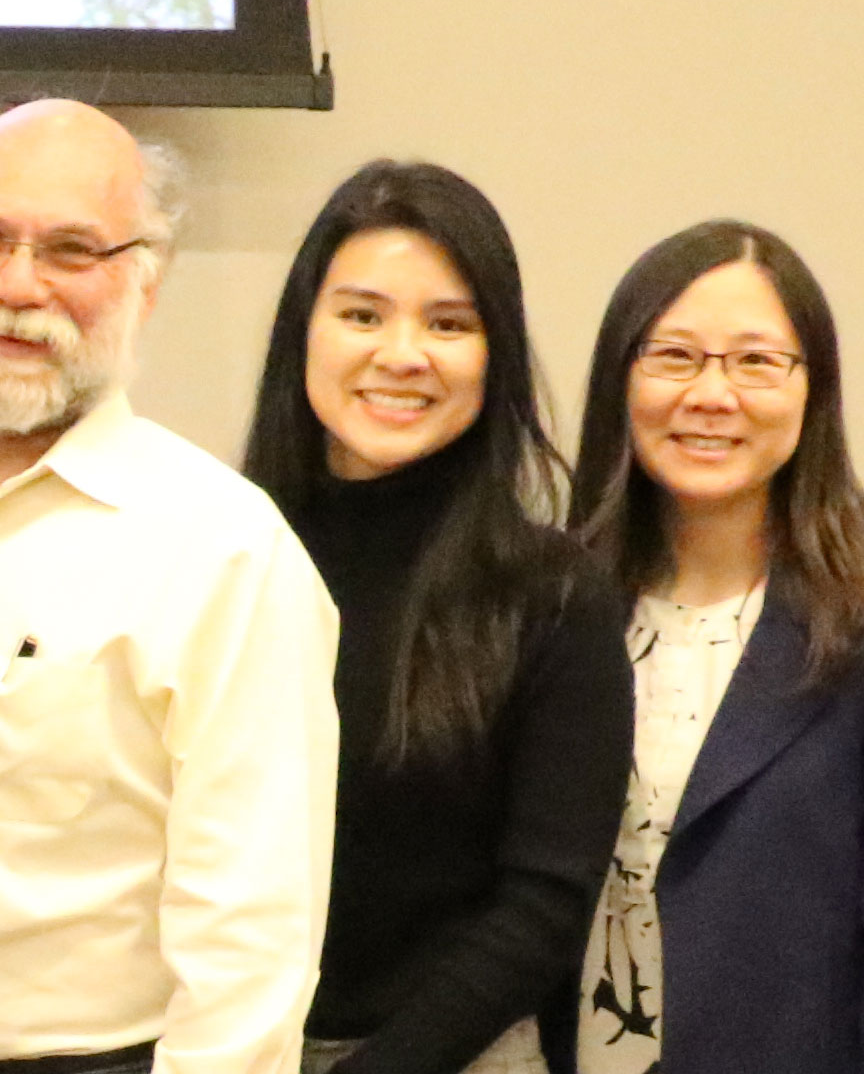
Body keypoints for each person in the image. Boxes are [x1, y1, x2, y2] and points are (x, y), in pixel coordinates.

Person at [0, 99, 334, 1074]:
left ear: (143, 283)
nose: (15, 285)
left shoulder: (221, 551)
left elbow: (247, 946)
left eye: (70, 250)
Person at [563, 220, 864, 1074]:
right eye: (674, 356)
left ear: (812, 391)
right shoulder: (551, 603)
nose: (712, 394)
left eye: (756, 361)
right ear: (621, 377)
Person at [235, 164, 626, 1074]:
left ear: (495, 355)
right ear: (304, 331)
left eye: (447, 323)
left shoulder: (552, 592)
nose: (402, 353)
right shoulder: (219, 554)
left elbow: (542, 906)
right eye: (362, 314)